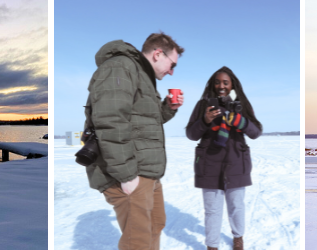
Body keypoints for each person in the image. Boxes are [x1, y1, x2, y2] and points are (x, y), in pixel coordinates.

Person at [81, 32, 183, 250]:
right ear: (157, 54)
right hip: (129, 172)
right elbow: (110, 120)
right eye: (172, 64)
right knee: (138, 242)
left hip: (147, 171)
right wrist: (126, 176)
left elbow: (146, 123)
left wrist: (169, 108)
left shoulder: (142, 75)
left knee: (155, 225)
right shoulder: (121, 67)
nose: (172, 71)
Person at [185, 67, 262, 250]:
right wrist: (205, 120)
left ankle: (238, 238)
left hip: (236, 161)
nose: (221, 86)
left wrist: (241, 122)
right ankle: (212, 245)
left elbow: (256, 132)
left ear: (232, 84)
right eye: (218, 82)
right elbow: (191, 134)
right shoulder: (203, 105)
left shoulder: (242, 103)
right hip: (209, 163)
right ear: (213, 84)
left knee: (236, 206)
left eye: (225, 82)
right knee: (212, 210)